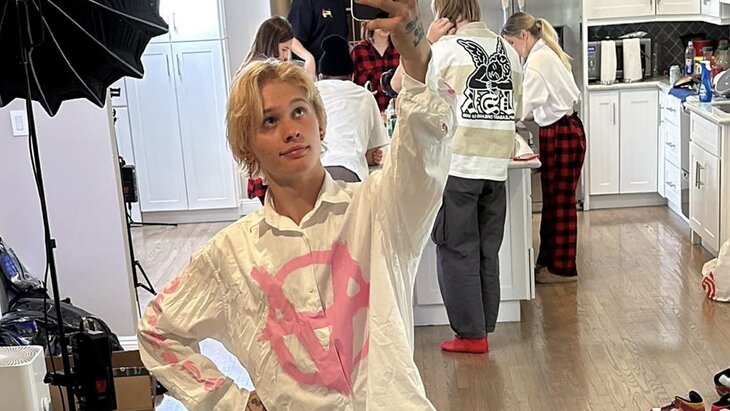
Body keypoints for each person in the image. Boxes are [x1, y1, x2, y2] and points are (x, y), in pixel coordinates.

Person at [137, 0, 457, 409]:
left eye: (299, 111)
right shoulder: (232, 255)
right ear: (246, 146)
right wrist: (233, 402)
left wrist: (414, 50)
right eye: (269, 121)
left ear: (320, 124)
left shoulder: (379, 210)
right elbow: (157, 331)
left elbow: (423, 145)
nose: (291, 130)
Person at [413, 0, 523, 354]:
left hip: (459, 167)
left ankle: (470, 335)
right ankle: (483, 327)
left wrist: (427, 43)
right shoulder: (508, 51)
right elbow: (518, 109)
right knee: (487, 251)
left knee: (457, 250)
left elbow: (413, 95)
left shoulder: (445, 50)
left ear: (444, 10)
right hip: (496, 168)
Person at [501, 12, 585, 284]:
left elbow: (524, 108)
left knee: (560, 204)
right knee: (554, 201)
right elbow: (530, 107)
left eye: (512, 43)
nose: (513, 50)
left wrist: (502, 117)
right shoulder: (546, 52)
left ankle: (563, 270)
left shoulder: (538, 60)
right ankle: (548, 261)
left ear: (524, 35)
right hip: (565, 129)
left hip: (561, 132)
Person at [244, 16, 317, 204]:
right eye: (284, 49)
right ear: (272, 44)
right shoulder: (255, 79)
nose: (286, 56)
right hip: (266, 159)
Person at [317, 34, 389, 182]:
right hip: (350, 171)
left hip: (313, 171)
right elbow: (374, 152)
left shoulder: (310, 93)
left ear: (320, 76)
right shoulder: (364, 95)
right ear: (352, 76)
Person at [287, 0, 348, 71]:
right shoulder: (303, 2)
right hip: (313, 71)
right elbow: (292, 40)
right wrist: (309, 59)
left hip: (338, 70)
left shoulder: (339, 2)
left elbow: (341, 35)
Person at [351, 27, 401, 112]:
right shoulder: (359, 51)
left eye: (387, 21)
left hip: (398, 111)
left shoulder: (400, 49)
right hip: (368, 111)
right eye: (380, 21)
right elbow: (352, 86)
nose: (385, 25)